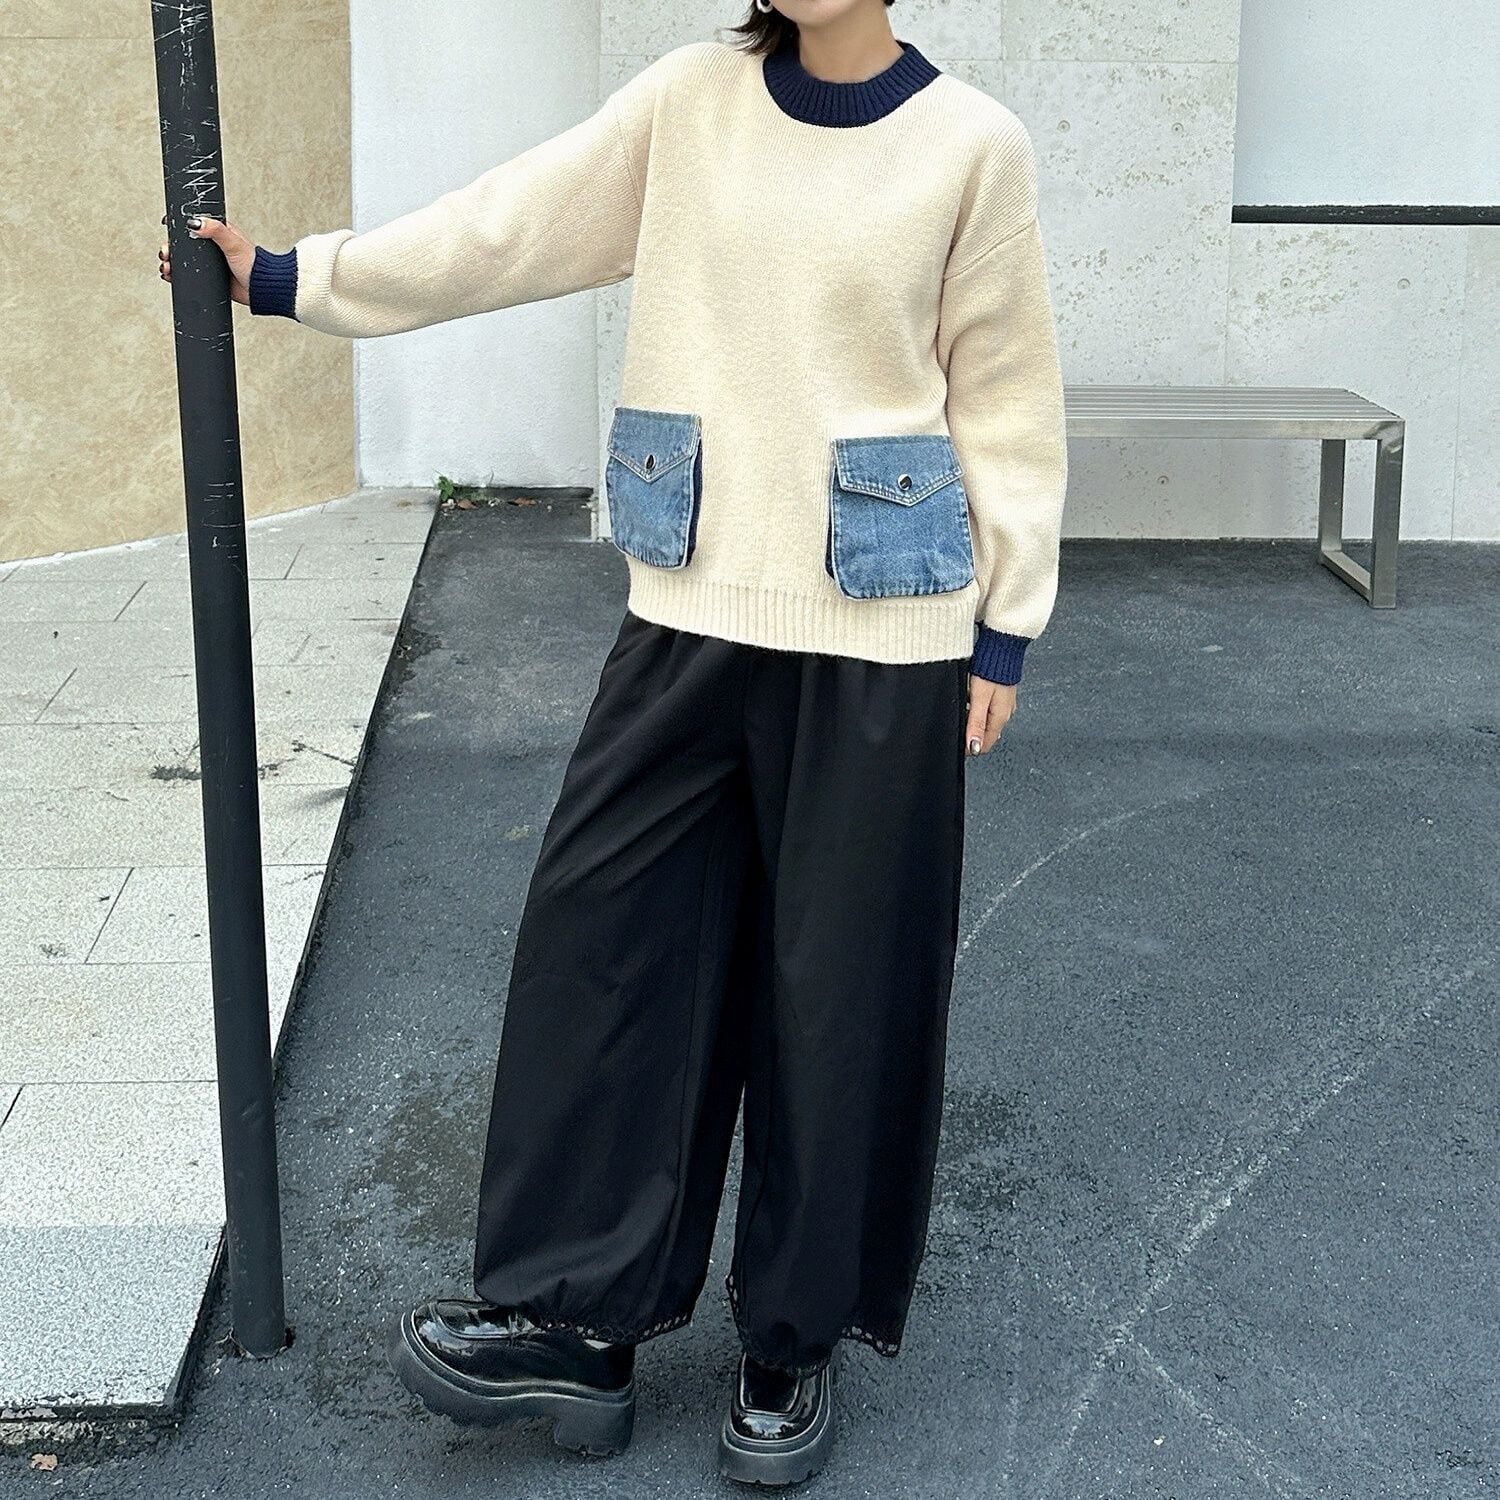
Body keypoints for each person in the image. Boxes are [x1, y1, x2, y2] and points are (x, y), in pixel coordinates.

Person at [159, 0, 1067, 1484]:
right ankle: (578, 1323)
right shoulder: (691, 102)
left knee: (839, 988)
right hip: (691, 603)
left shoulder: (972, 145)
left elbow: (1008, 387)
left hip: (885, 627)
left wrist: (1006, 622)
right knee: (609, 941)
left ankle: (791, 1340)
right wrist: (296, 278)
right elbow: (510, 225)